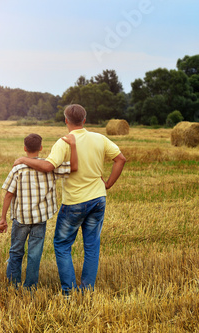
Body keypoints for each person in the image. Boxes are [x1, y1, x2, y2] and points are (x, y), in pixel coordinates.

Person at [14, 104, 126, 294]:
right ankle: (87, 289)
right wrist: (107, 184)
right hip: (98, 198)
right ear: (84, 119)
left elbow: (49, 166)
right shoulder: (100, 138)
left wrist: (24, 160)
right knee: (92, 245)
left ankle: (69, 291)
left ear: (66, 120)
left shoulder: (64, 141)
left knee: (62, 244)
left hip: (74, 201)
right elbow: (121, 159)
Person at [1, 133, 77, 290]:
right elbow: (73, 167)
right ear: (41, 148)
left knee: (16, 251)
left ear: (24, 148)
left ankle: (13, 285)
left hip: (21, 219)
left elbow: (9, 194)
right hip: (39, 219)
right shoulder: (49, 167)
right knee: (34, 255)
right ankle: (30, 287)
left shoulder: (18, 169)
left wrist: (3, 217)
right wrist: (74, 146)